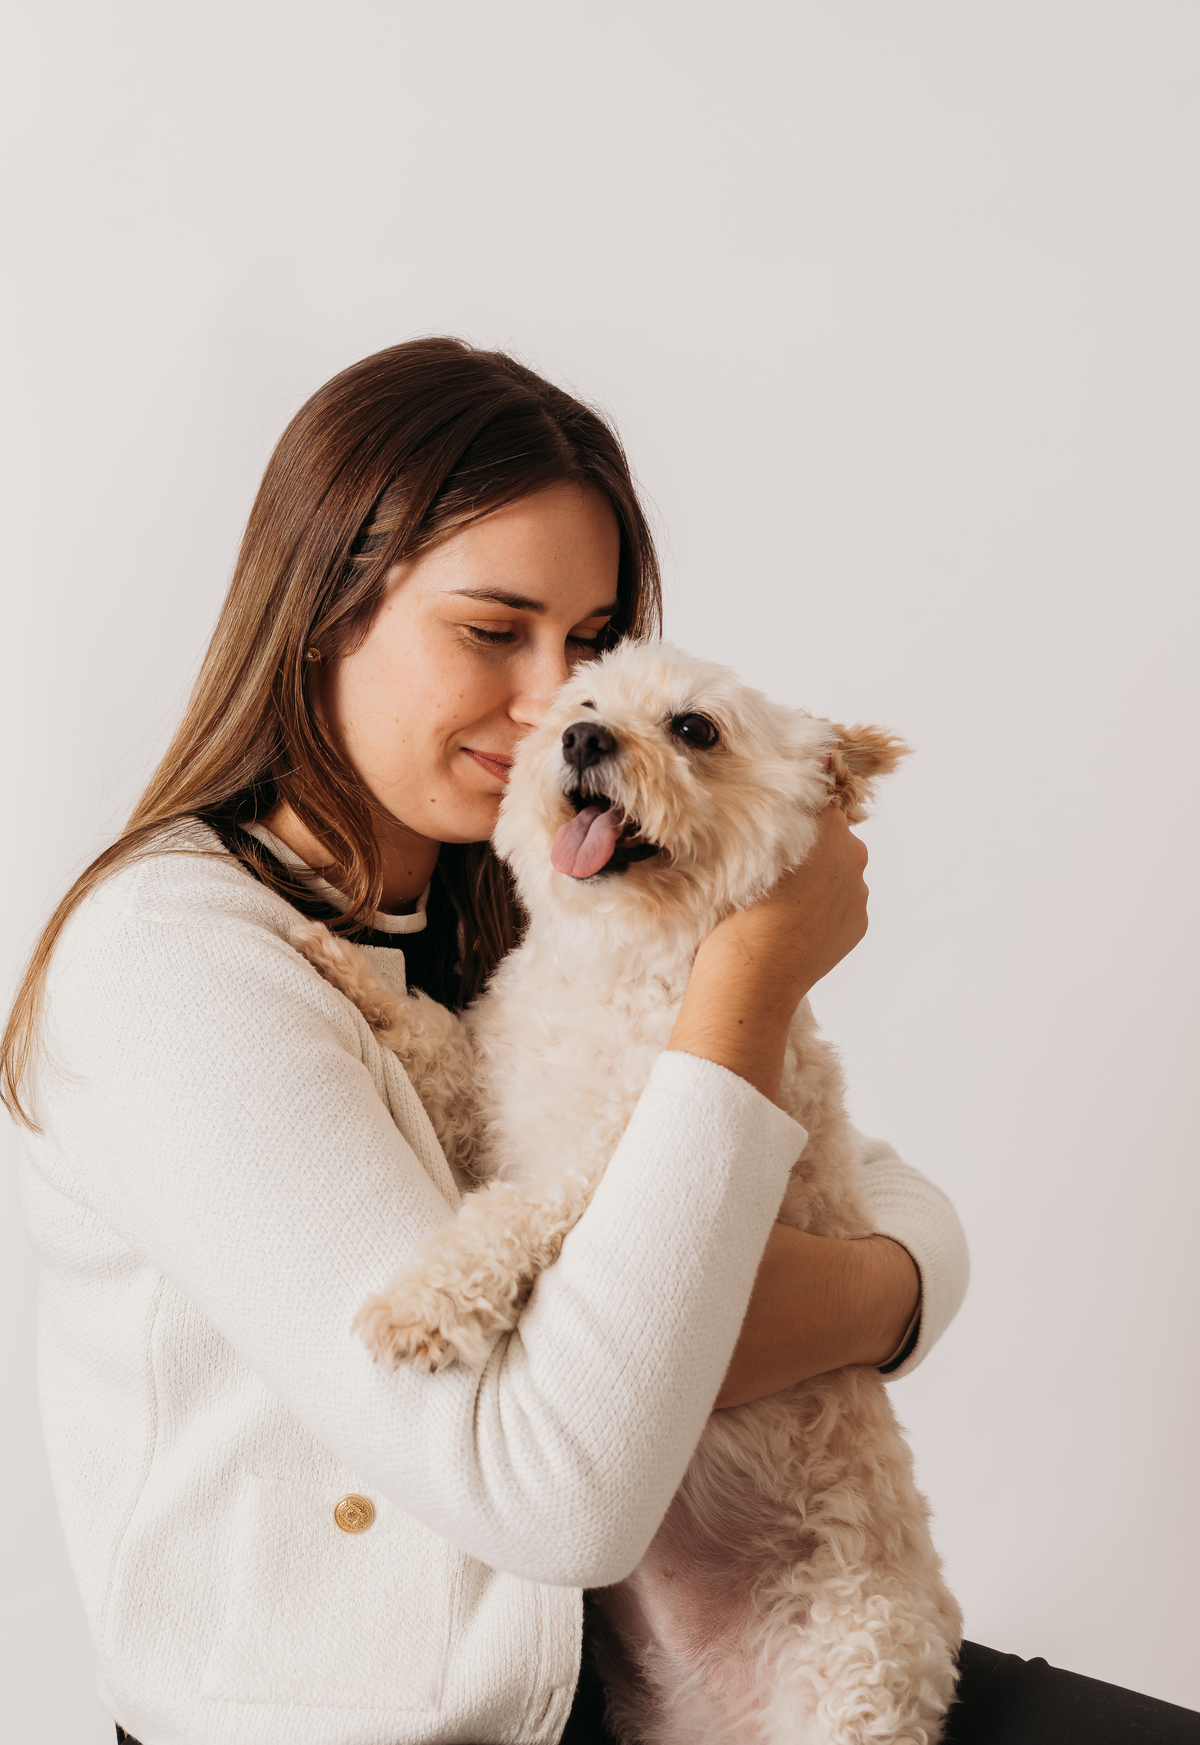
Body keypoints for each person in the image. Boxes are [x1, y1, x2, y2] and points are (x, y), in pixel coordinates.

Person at [5, 339, 1195, 1745]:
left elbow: (882, 1190)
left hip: (629, 1668)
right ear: (328, 611)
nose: (551, 706)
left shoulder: (540, 902)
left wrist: (874, 1297)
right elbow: (559, 1487)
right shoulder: (172, 965)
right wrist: (751, 981)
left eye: (588, 641)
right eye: (493, 631)